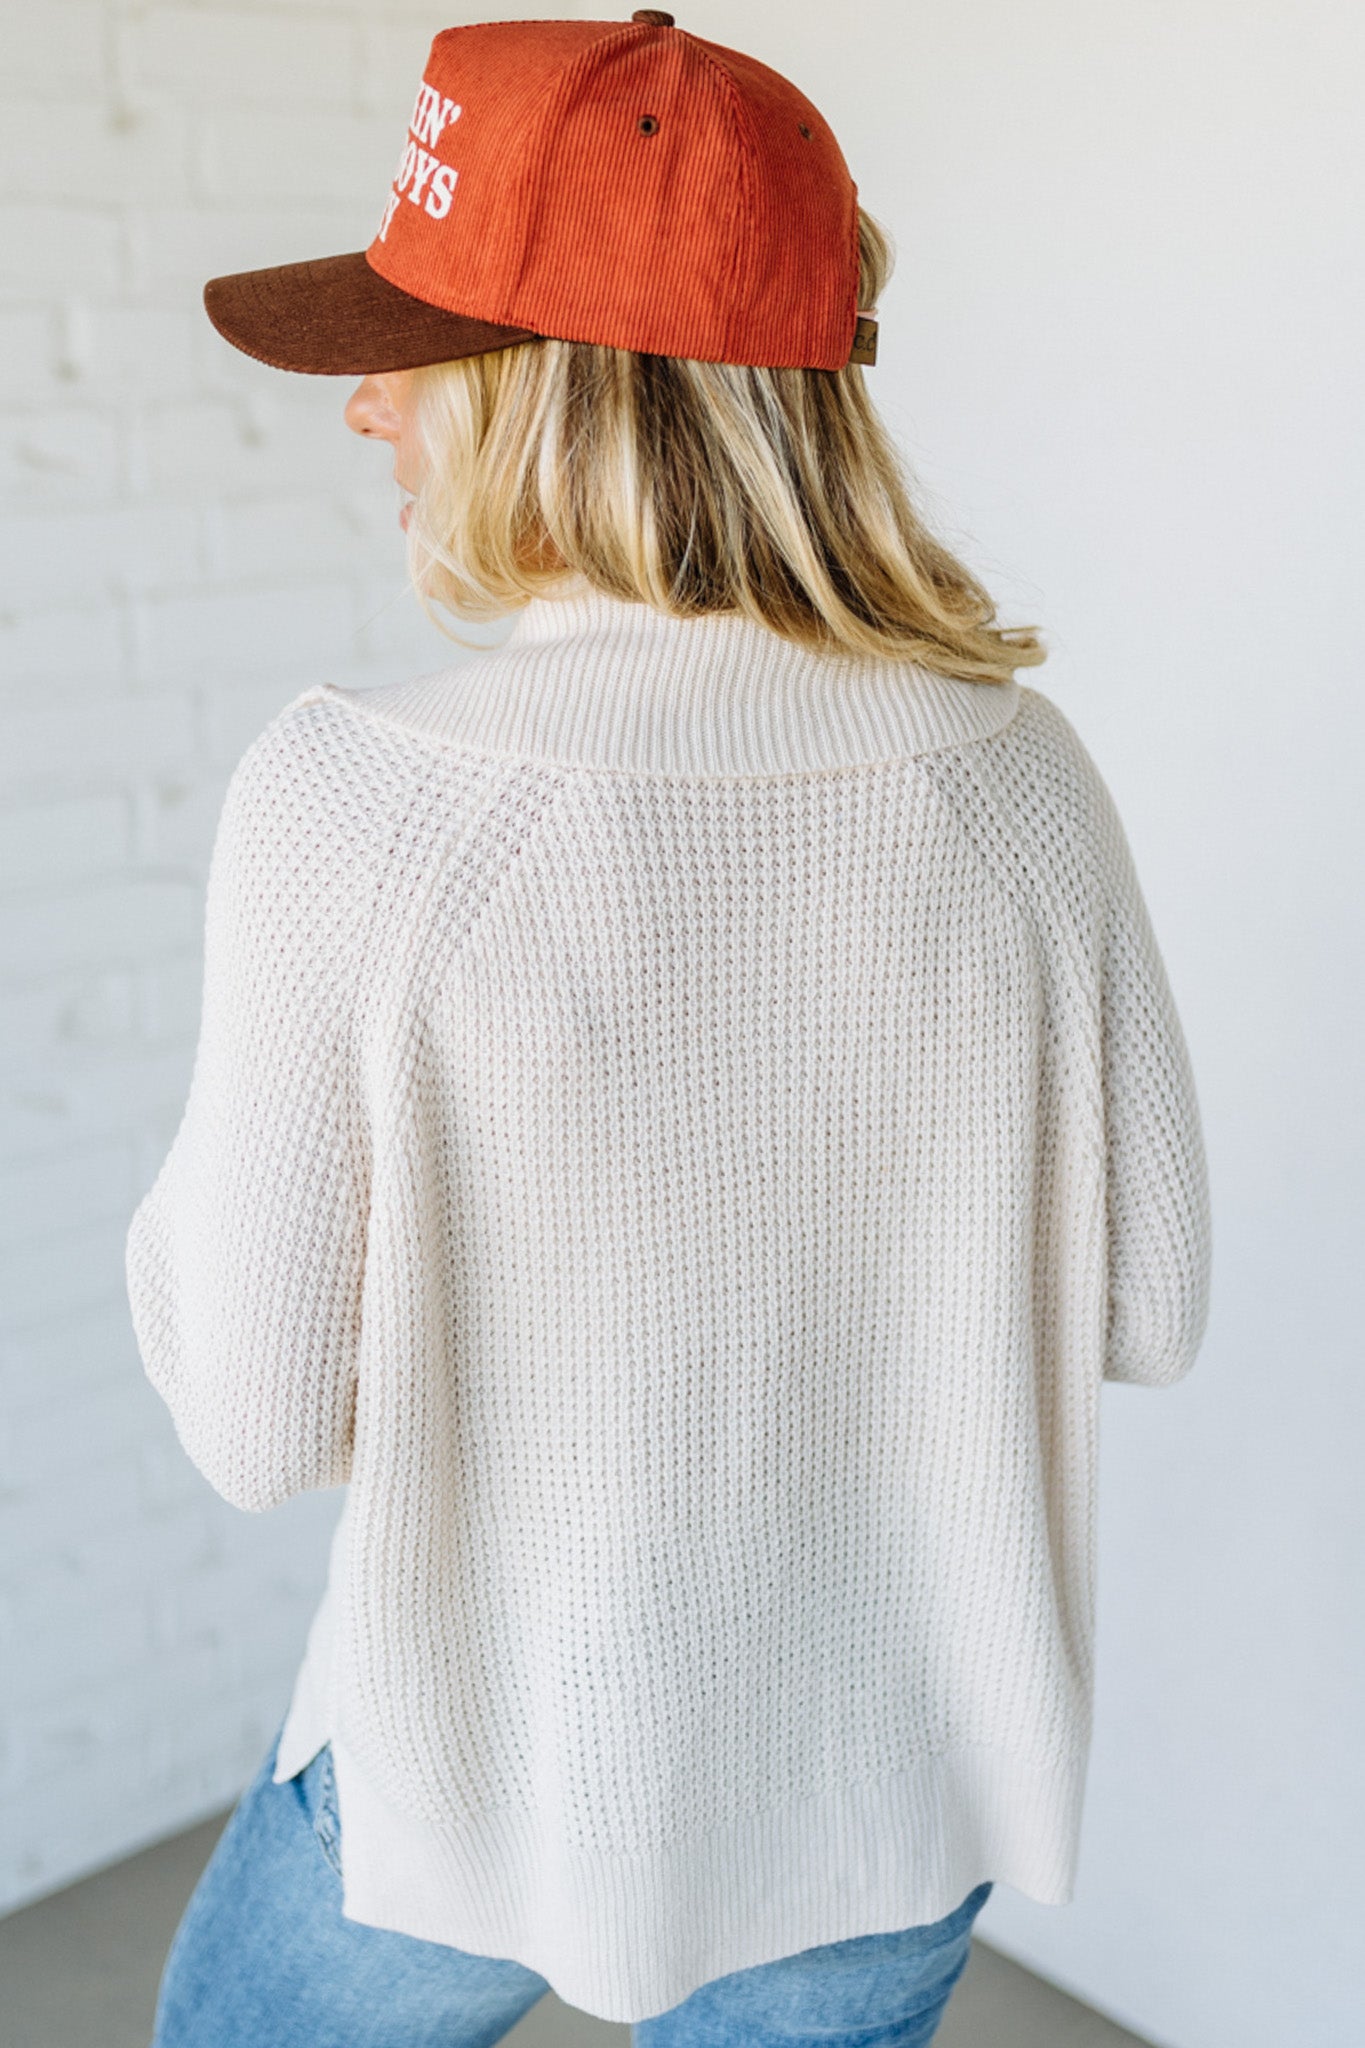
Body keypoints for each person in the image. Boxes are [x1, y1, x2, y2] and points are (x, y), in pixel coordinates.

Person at [126, 12, 1212, 2047]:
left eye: (412, 349)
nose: (366, 412)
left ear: (550, 394)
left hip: (471, 1763)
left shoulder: (356, 802)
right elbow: (1146, 1303)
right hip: (883, 1771)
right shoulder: (1020, 777)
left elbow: (255, 1421)